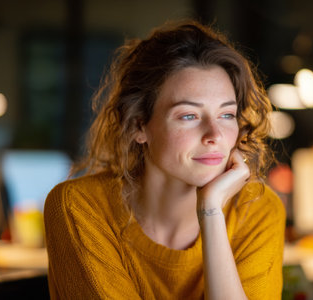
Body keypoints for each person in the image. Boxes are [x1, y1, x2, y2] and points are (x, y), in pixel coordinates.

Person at [44, 20, 286, 300]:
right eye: (188, 116)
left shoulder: (258, 209)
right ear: (139, 126)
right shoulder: (79, 206)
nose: (215, 135)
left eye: (227, 115)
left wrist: (211, 213)